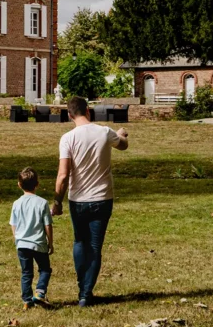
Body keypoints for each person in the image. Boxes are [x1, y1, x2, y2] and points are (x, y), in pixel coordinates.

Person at [51, 96, 128, 307]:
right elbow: (123, 145)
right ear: (88, 111)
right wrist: (121, 134)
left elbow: (63, 175)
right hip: (103, 198)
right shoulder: (104, 132)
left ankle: (81, 285)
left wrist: (57, 202)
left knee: (79, 242)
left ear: (69, 115)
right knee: (95, 246)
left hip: (78, 200)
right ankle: (86, 293)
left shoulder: (67, 138)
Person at [9, 167, 54, 309]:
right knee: (45, 269)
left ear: (19, 185)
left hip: (22, 244)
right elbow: (47, 225)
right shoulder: (42, 203)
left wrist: (17, 238)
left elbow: (13, 224)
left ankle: (26, 301)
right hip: (38, 243)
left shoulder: (16, 203)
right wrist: (50, 242)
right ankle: (40, 292)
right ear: (37, 184)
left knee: (26, 272)